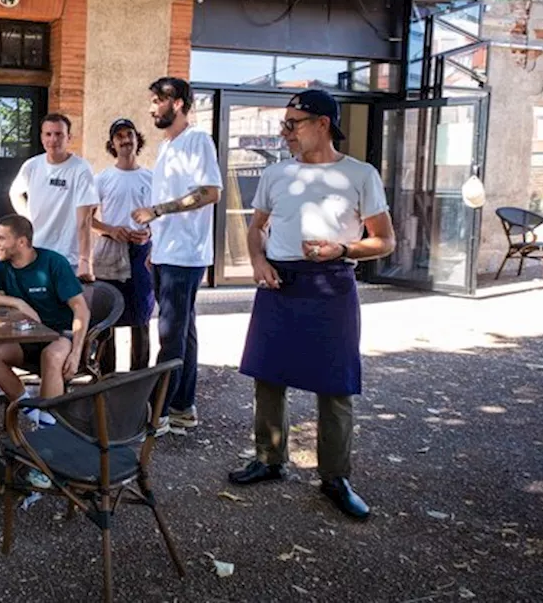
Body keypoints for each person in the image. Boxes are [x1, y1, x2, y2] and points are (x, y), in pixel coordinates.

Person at [227, 89, 395, 520]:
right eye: (284, 124)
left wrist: (342, 250)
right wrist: (258, 260)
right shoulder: (277, 174)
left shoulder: (360, 175)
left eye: (293, 123)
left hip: (331, 283)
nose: (285, 132)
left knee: (335, 385)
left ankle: (335, 477)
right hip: (280, 283)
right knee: (267, 376)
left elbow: (386, 240)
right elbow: (256, 227)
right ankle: (269, 459)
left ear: (323, 123)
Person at [131, 77, 222, 436]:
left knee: (169, 333)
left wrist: (157, 211)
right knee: (185, 330)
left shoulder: (197, 140)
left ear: (179, 103)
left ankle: (159, 413)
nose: (153, 107)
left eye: (158, 100)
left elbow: (210, 192)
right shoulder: (168, 146)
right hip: (170, 252)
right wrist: (156, 245)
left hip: (186, 255)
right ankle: (183, 408)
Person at [0, 214, 89, 426]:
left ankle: (49, 428)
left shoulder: (53, 263)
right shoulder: (1, 263)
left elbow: (81, 309)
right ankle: (30, 409)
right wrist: (17, 303)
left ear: (21, 242)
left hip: (59, 335)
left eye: (1, 238)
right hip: (25, 334)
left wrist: (77, 352)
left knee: (51, 355)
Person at [91, 118, 155, 372]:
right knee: (108, 318)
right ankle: (106, 381)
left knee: (142, 317)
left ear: (138, 139)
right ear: (112, 144)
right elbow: (87, 218)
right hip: (109, 252)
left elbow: (161, 216)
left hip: (141, 253)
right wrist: (110, 230)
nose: (125, 140)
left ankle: (138, 379)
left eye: (129, 134)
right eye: (119, 136)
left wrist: (149, 232)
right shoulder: (103, 178)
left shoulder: (151, 177)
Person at [9, 113, 100, 281]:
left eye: (59, 134)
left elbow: (84, 220)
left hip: (68, 257)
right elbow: (15, 193)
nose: (53, 139)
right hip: (36, 252)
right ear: (42, 137)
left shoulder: (81, 169)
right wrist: (27, 218)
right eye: (48, 134)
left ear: (69, 138)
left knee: (66, 305)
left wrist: (85, 260)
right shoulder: (31, 166)